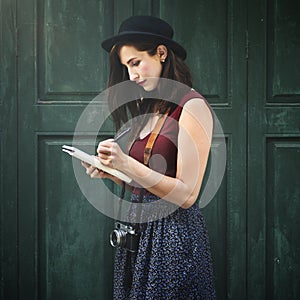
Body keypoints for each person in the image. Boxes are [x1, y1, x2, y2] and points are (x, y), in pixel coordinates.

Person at [82, 15, 216, 299]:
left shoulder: (192, 106)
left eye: (136, 63)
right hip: (139, 232)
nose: (132, 76)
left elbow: (187, 195)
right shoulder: (149, 106)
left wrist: (125, 162)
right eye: (126, 67)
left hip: (174, 238)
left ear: (161, 53)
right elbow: (148, 188)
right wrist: (114, 173)